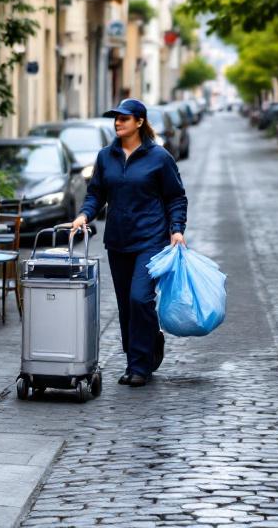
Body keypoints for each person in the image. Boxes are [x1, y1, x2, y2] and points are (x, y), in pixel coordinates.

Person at [69, 98, 187, 388]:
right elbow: (96, 193)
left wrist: (176, 229)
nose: (118, 123)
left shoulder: (159, 157)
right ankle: (146, 345)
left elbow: (175, 197)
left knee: (140, 299)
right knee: (126, 305)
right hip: (118, 241)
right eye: (116, 118)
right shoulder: (106, 156)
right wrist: (84, 215)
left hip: (151, 239)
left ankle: (139, 366)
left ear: (139, 122)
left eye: (124, 118)